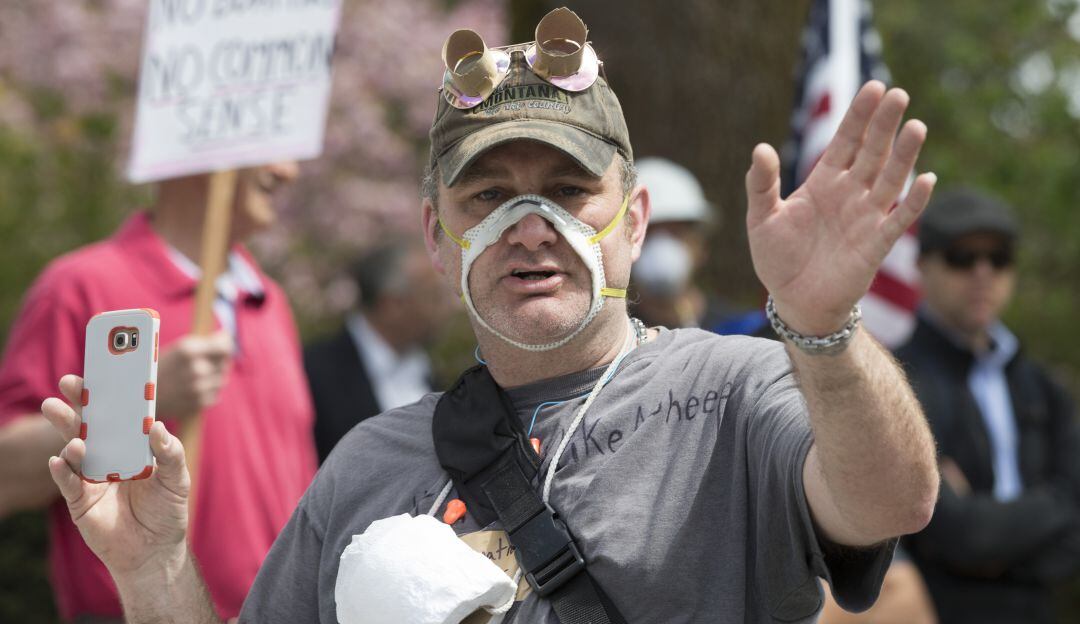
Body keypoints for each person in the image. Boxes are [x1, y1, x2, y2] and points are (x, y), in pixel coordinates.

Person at [38, 11, 939, 623]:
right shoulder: (368, 465)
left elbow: (895, 499)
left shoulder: (737, 392)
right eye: (489, 196)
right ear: (439, 236)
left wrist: (823, 326)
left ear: (632, 222)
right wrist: (152, 569)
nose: (530, 228)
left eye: (568, 191)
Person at [0, 164, 317, 621]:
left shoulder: (270, 301)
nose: (288, 170)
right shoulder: (78, 285)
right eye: (268, 149)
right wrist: (135, 402)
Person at [896, 187, 1080, 624]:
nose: (983, 273)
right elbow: (951, 533)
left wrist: (990, 546)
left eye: (999, 258)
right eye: (962, 256)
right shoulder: (896, 384)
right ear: (922, 265)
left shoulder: (1043, 387)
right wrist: (1047, 509)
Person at [304, 238, 453, 462]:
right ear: (391, 304)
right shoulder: (313, 373)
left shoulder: (426, 370)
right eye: (432, 297)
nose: (446, 308)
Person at [629, 157, 716, 329]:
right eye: (649, 233)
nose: (661, 247)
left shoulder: (745, 331)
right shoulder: (611, 340)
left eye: (675, 233)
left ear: (701, 246)